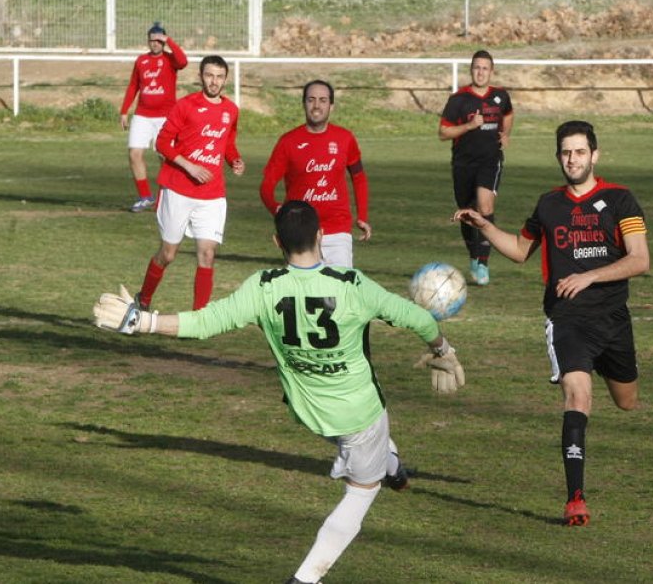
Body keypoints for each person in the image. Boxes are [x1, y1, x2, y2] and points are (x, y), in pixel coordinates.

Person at [94, 200, 466, 584]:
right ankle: (305, 579)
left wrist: (144, 321)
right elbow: (420, 319)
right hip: (358, 413)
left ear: (276, 241)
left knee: (370, 448)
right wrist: (443, 351)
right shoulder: (352, 285)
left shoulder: (263, 287)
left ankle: (393, 469)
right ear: (321, 235)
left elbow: (204, 323)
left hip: (310, 412)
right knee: (361, 491)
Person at [453, 120, 649, 527]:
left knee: (626, 402)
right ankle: (575, 498)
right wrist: (486, 226)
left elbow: (640, 260)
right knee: (578, 397)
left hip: (613, 320)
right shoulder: (549, 205)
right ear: (558, 156)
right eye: (565, 152)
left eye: (579, 152)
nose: (572, 159)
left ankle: (610, 383)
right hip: (567, 319)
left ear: (594, 155)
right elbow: (523, 250)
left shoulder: (620, 199)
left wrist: (590, 276)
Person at [134, 55, 244, 311]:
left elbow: (227, 143)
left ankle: (199, 317)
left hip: (212, 194)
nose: (214, 81)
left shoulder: (231, 110)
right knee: (168, 254)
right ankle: (145, 298)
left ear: (225, 79)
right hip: (178, 190)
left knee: (207, 254)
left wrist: (235, 160)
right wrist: (189, 166)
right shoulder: (185, 106)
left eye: (219, 76)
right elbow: (162, 143)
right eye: (209, 75)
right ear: (200, 77)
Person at [260, 80, 371, 267]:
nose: (317, 105)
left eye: (323, 100)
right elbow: (267, 185)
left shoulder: (345, 139)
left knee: (341, 289)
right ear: (304, 103)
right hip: (300, 231)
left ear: (331, 106)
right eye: (311, 100)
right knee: (303, 293)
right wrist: (276, 208)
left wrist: (362, 216)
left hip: (338, 229)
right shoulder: (288, 142)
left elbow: (359, 177)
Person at [438, 49, 515, 286]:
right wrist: (470, 126)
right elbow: (443, 132)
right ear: (471, 70)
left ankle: (483, 262)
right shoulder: (458, 99)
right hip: (463, 163)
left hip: (490, 161)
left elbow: (509, 114)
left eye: (485, 68)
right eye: (476, 67)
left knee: (484, 204)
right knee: (466, 212)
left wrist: (506, 134)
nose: (480, 72)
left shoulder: (501, 96)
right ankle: (474, 255)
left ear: (491, 71)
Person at [120, 22, 188, 213]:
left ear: (163, 41)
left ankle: (164, 198)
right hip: (142, 115)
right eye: (152, 40)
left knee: (164, 156)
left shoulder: (170, 59)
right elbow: (133, 86)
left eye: (159, 40)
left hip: (166, 117)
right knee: (134, 153)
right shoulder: (141, 61)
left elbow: (183, 62)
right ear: (148, 42)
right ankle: (145, 196)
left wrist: (170, 41)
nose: (155, 44)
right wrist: (124, 110)